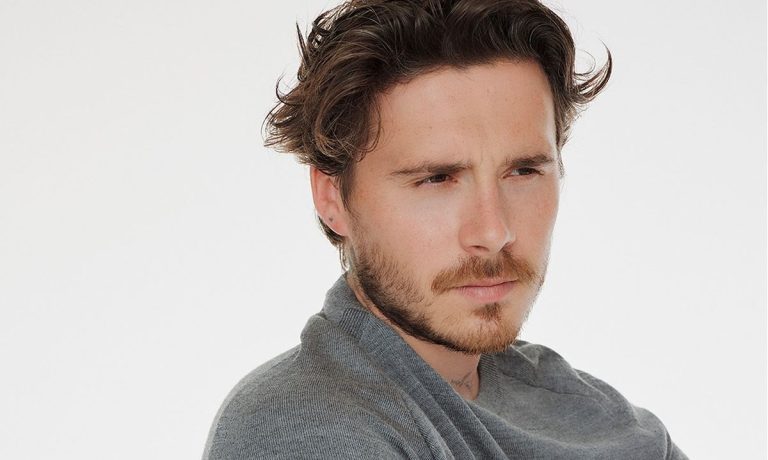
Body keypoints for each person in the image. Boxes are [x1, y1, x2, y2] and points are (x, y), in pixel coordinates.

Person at [204, 0, 688, 458]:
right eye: (436, 179)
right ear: (333, 197)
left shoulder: (589, 411)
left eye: (523, 171)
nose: (493, 232)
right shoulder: (302, 427)